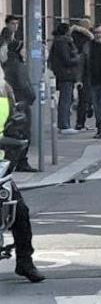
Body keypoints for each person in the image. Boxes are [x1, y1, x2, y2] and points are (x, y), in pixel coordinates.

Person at [0, 74, 45, 282]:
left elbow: (14, 120)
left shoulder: (5, 90)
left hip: (1, 167)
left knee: (20, 212)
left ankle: (25, 262)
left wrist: (16, 135)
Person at [2, 39, 37, 172]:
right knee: (24, 133)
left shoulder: (6, 64)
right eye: (23, 49)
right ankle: (21, 161)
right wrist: (32, 96)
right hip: (22, 101)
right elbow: (24, 84)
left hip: (11, 102)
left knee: (13, 132)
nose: (25, 52)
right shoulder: (19, 65)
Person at [48, 23, 80, 136]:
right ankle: (64, 124)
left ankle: (64, 123)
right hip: (66, 74)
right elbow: (67, 60)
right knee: (66, 99)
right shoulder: (63, 42)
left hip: (63, 74)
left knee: (67, 98)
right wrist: (78, 59)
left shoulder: (58, 41)